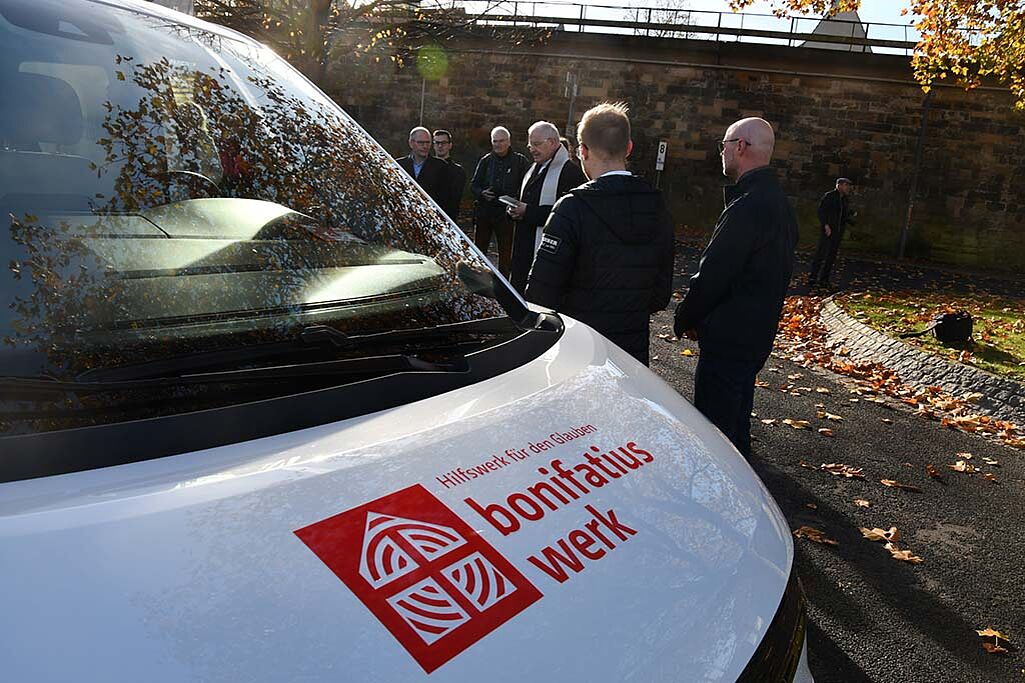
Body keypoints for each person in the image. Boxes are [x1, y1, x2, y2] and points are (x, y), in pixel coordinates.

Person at [673, 117, 798, 458]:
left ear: (740, 147)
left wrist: (685, 317)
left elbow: (715, 272)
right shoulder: (781, 205)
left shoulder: (747, 206)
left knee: (715, 435)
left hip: (729, 335)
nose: (722, 152)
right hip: (757, 332)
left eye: (724, 145)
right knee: (737, 422)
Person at [525, 102, 674, 366]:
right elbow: (660, 293)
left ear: (582, 151)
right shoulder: (656, 204)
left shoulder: (572, 207)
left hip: (579, 351)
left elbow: (540, 294)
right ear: (628, 148)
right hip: (632, 351)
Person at [506, 121, 586, 292]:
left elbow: (566, 217)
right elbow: (523, 197)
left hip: (548, 253)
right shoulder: (534, 168)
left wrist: (528, 211)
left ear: (552, 142)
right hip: (523, 248)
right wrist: (513, 209)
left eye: (536, 144)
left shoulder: (570, 172)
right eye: (530, 145)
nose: (532, 149)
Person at [469, 126, 529, 277]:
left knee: (506, 253)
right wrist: (482, 193)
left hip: (507, 215)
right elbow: (474, 185)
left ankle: (504, 284)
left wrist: (516, 199)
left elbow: (527, 187)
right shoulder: (486, 161)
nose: (498, 144)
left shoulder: (520, 161)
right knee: (479, 250)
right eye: (495, 141)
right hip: (485, 211)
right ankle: (478, 280)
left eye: (501, 141)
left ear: (508, 141)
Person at [807, 177, 855, 290]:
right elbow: (821, 211)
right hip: (828, 230)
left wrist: (850, 219)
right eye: (846, 185)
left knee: (831, 256)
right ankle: (813, 277)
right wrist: (825, 225)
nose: (848, 188)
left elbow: (843, 215)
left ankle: (824, 279)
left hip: (838, 231)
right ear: (840, 185)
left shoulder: (845, 199)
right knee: (821, 254)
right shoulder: (830, 196)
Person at [396, 126, 449, 211]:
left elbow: (446, 199)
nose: (425, 146)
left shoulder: (442, 167)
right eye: (421, 142)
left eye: (428, 142)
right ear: (411, 143)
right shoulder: (398, 166)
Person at [432, 129, 466, 221]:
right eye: (437, 142)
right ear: (433, 145)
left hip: (448, 218)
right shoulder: (426, 167)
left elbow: (454, 199)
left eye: (443, 143)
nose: (440, 146)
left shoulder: (458, 171)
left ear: (450, 145)